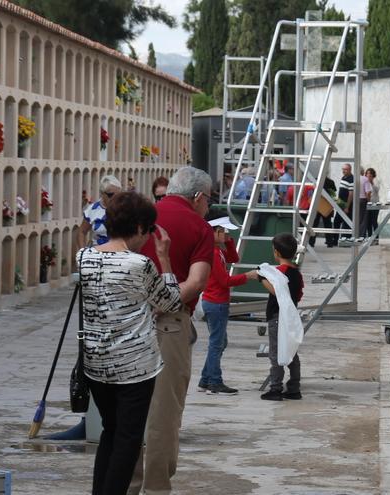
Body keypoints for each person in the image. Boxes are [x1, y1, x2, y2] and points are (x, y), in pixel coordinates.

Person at [77, 192, 183, 495]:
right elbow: (172, 301)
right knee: (128, 439)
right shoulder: (140, 264)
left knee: (110, 432)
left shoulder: (84, 257)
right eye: (149, 231)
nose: (149, 237)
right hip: (135, 366)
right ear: (138, 227)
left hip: (96, 364)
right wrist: (164, 258)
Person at [129, 166, 214, 494]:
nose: (208, 207)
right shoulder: (199, 227)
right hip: (169, 326)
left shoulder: (142, 217)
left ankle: (127, 484)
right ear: (197, 197)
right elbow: (196, 283)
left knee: (129, 411)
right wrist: (163, 300)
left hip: (128, 321)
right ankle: (155, 489)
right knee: (163, 415)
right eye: (208, 200)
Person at [196, 211, 250, 395]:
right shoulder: (212, 253)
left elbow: (234, 259)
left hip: (216, 302)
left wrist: (227, 241)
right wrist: (247, 276)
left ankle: (205, 379)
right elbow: (225, 281)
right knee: (217, 343)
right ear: (215, 231)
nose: (227, 235)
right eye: (224, 232)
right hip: (216, 302)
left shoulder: (218, 250)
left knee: (219, 342)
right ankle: (214, 382)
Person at [258, 233, 304, 401]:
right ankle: (294, 387)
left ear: (276, 252)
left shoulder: (279, 273)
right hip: (290, 317)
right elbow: (298, 295)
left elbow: (277, 291)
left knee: (276, 353)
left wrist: (261, 278)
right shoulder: (296, 273)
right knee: (291, 351)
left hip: (277, 317)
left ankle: (276, 388)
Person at [78, 175, 122, 249]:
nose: (115, 198)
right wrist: (82, 253)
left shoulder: (125, 207)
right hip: (97, 254)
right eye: (111, 195)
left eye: (118, 195)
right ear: (102, 193)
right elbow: (82, 232)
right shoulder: (93, 209)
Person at [310, 177, 337, 248]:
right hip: (326, 205)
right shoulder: (330, 181)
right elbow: (333, 194)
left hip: (317, 204)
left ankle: (311, 242)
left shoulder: (315, 180)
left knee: (314, 224)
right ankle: (329, 242)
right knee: (327, 224)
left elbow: (312, 190)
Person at [335, 164, 354, 242]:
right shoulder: (343, 177)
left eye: (345, 169)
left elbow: (351, 194)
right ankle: (335, 240)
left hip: (346, 205)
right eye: (343, 169)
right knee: (336, 221)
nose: (343, 171)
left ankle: (346, 239)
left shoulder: (351, 179)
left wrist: (347, 206)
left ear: (350, 170)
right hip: (340, 204)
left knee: (346, 222)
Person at [365, 168, 381, 244]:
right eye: (367, 174)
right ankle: (370, 238)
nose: (368, 176)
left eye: (370, 175)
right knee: (368, 221)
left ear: (373, 175)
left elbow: (377, 189)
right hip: (368, 204)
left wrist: (371, 182)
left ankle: (376, 238)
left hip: (375, 204)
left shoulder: (376, 181)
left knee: (374, 221)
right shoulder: (365, 181)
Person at [358, 167, 372, 239]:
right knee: (363, 219)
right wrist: (369, 201)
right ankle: (361, 236)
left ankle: (355, 234)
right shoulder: (365, 179)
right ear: (363, 172)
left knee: (356, 218)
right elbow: (368, 192)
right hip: (363, 200)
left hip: (355, 200)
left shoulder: (354, 178)